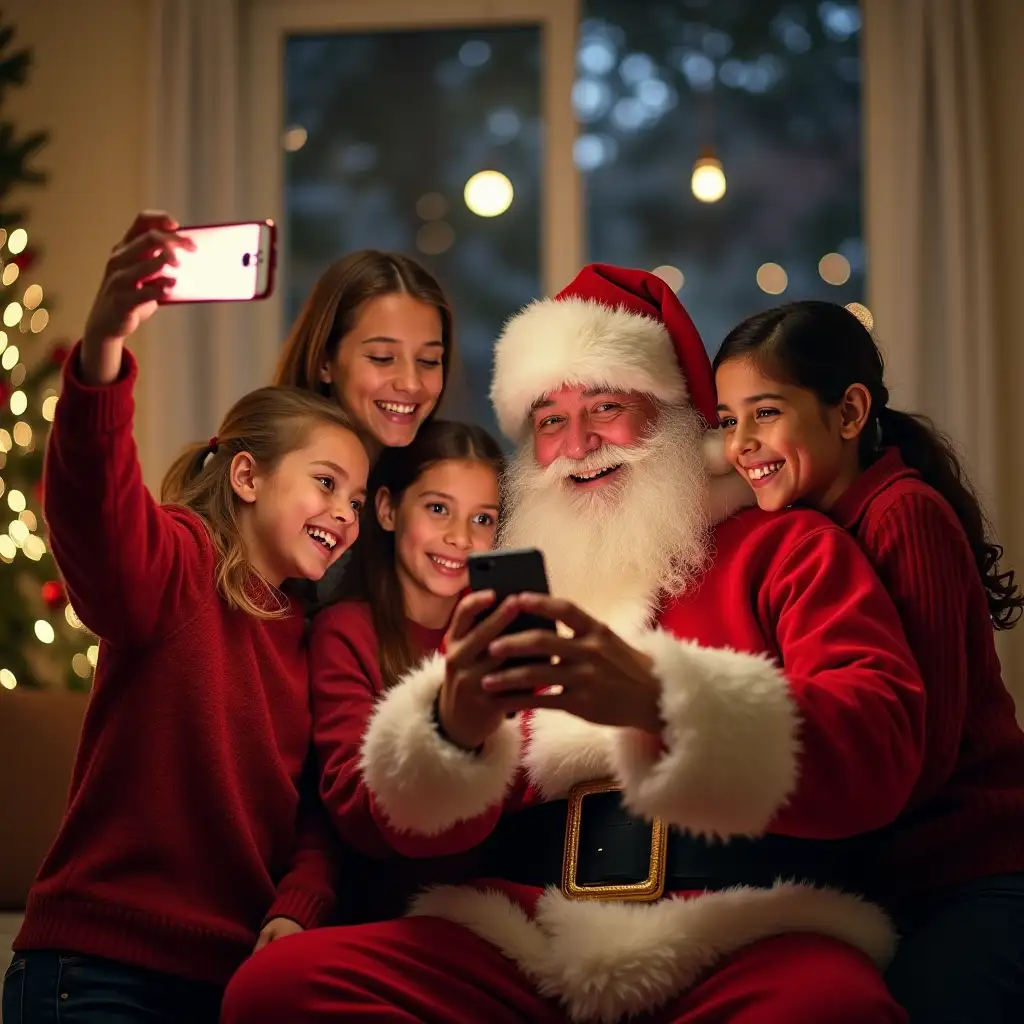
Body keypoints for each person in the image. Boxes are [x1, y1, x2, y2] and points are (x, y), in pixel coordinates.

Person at [219, 265, 927, 1024]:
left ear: (677, 415)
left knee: (832, 1009)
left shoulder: (788, 548)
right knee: (278, 991)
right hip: (528, 931)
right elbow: (416, 830)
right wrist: (452, 731)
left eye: (608, 407)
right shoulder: (519, 586)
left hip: (740, 924)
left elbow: (882, 740)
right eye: (550, 420)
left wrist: (665, 702)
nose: (580, 443)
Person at [1, 213, 369, 1024]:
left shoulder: (313, 638)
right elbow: (97, 506)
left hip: (229, 978)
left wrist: (297, 906)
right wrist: (102, 349)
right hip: (95, 971)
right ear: (246, 475)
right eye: (326, 482)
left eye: (357, 498)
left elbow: (316, 816)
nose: (345, 513)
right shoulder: (178, 565)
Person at [713, 299, 1024, 1022]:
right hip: (889, 882)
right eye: (728, 421)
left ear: (849, 412)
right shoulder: (801, 531)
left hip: (974, 873)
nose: (741, 445)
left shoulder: (901, 515)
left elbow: (922, 753)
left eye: (765, 413)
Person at [307, 419, 503, 919]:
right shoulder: (345, 632)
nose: (460, 538)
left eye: (483, 519)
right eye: (438, 509)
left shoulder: (504, 633)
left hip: (491, 905)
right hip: (381, 907)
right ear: (389, 509)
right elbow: (352, 807)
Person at [274, 250, 454, 457]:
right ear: (325, 361)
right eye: (382, 358)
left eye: (428, 361)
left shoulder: (434, 473)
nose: (411, 383)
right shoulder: (277, 477)